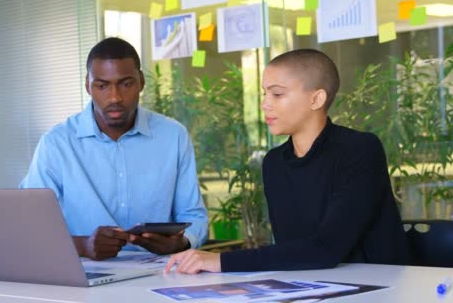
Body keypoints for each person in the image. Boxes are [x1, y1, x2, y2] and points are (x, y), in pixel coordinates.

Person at [165, 49, 411, 274]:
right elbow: (291, 250)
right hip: (310, 285)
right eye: (264, 93)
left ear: (316, 99)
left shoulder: (361, 149)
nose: (265, 103)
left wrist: (219, 261)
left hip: (376, 286)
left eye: (277, 93)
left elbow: (325, 249)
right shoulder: (274, 162)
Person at [20, 37, 208, 260]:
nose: (115, 97)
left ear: (141, 82)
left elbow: (194, 215)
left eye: (126, 84)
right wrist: (82, 246)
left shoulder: (173, 136)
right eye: (102, 86)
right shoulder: (56, 143)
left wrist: (182, 241)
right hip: (85, 274)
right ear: (88, 86)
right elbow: (29, 225)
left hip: (159, 273)